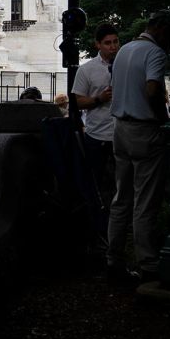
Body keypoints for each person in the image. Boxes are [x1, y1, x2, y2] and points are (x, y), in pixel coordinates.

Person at [104, 10, 170, 284]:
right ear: (161, 30)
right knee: (145, 201)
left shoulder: (123, 51)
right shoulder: (155, 54)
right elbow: (151, 90)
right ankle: (148, 263)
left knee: (121, 198)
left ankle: (114, 259)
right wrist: (164, 120)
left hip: (119, 128)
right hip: (144, 129)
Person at [73, 23, 121, 247]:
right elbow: (77, 101)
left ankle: (118, 231)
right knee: (96, 186)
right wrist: (99, 99)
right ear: (98, 45)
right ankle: (97, 231)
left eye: (115, 42)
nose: (113, 47)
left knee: (121, 187)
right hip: (97, 136)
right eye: (108, 43)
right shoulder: (87, 69)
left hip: (122, 135)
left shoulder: (125, 66)